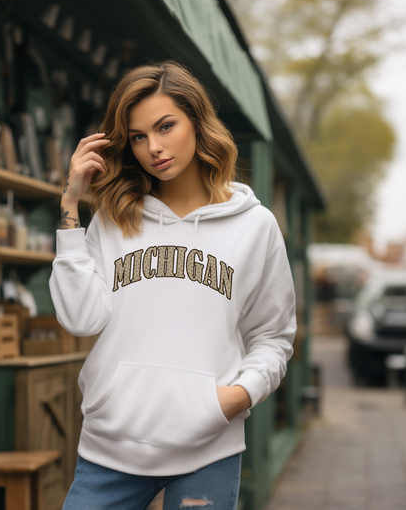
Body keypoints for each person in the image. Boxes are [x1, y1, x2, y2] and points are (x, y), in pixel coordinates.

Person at [49, 61, 296, 510]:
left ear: (197, 122)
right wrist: (71, 205)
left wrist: (234, 397)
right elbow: (80, 319)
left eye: (166, 126)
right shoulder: (114, 217)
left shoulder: (256, 226)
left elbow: (273, 337)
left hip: (208, 447)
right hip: (112, 446)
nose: (154, 148)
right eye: (138, 137)